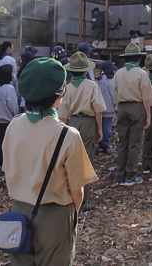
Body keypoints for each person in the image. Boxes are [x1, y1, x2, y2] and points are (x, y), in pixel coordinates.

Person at [2, 58, 98, 266]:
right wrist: (71, 216)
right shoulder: (67, 135)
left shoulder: (14, 125)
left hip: (18, 210)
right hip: (54, 215)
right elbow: (77, 190)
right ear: (59, 95)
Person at [58, 52, 107, 212]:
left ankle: (69, 195)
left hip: (72, 122)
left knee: (70, 159)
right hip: (88, 122)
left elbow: (63, 113)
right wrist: (99, 129)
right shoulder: (92, 86)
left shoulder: (68, 87)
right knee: (86, 160)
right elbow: (98, 109)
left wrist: (62, 130)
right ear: (86, 70)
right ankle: (85, 199)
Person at [112, 43, 152, 186]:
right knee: (134, 143)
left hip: (122, 107)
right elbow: (146, 97)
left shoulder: (118, 73)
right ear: (139, 59)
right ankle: (131, 174)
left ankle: (120, 174)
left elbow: (115, 93)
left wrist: (118, 110)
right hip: (137, 108)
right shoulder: (142, 74)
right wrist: (148, 116)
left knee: (122, 142)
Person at [0, 65, 18, 172]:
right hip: (5, 119)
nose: (14, 74)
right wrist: (15, 116)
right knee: (4, 142)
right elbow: (12, 105)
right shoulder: (9, 88)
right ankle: (2, 163)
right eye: (12, 72)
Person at [97, 60, 117, 152]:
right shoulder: (112, 82)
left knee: (99, 126)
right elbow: (114, 96)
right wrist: (116, 107)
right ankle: (105, 144)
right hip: (109, 108)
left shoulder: (99, 80)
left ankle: (100, 143)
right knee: (107, 127)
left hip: (99, 108)